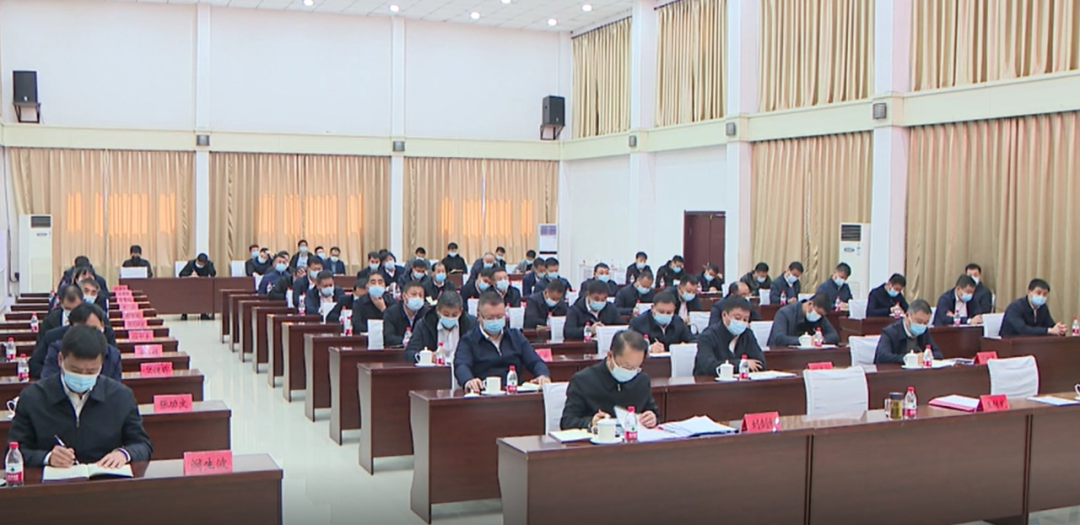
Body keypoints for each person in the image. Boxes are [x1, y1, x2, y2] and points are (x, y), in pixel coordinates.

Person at [9, 325, 153, 468]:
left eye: (91, 371)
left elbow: (142, 445)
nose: (83, 376)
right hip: (54, 479)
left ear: (101, 365)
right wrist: (47, 457)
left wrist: (124, 454)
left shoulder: (121, 396)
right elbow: (15, 450)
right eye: (75, 370)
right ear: (60, 359)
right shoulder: (33, 397)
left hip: (105, 477)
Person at [560, 330, 659, 430]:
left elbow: (653, 412)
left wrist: (652, 418)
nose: (630, 372)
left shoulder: (642, 380)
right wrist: (591, 422)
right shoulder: (583, 381)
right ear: (610, 356)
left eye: (635, 368)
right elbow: (567, 422)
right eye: (626, 366)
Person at [454, 292, 551, 392]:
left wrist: (543, 375)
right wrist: (469, 380)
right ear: (479, 316)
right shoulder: (468, 340)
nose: (495, 321)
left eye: (500, 317)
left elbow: (535, 361)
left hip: (515, 393)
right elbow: (461, 365)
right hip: (483, 394)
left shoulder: (515, 336)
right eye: (490, 318)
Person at [32, 301, 117, 379]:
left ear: (102, 325)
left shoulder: (113, 355)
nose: (88, 334)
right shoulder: (57, 349)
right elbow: (48, 382)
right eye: (82, 329)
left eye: (93, 329)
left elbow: (115, 388)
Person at [694, 296, 765, 375]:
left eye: (745, 320)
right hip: (709, 381)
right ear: (724, 315)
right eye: (737, 318)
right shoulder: (707, 336)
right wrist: (741, 364)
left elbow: (760, 363)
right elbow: (709, 366)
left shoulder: (747, 334)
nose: (741, 322)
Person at [404, 291, 477, 363]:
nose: (450, 318)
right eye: (446, 314)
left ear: (461, 311)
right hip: (433, 369)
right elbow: (409, 353)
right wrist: (424, 356)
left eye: (454, 315)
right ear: (438, 310)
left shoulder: (471, 324)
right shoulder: (424, 325)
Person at [874, 299, 942, 364]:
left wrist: (925, 356)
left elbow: (938, 354)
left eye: (925, 323)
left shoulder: (924, 331)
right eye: (919, 321)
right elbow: (882, 357)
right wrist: (908, 358)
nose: (922, 325)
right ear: (907, 316)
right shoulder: (890, 332)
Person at [628, 291, 693, 354]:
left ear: (674, 309)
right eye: (661, 312)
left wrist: (685, 345)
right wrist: (649, 348)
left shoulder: (678, 321)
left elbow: (691, 339)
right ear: (653, 308)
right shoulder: (638, 323)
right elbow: (630, 345)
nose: (665, 315)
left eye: (669, 312)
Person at [1001, 279, 1067, 336]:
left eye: (1044, 294)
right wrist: (1049, 330)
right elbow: (1023, 329)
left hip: (1033, 342)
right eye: (1038, 293)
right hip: (1009, 342)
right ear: (1029, 292)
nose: (1041, 296)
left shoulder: (1042, 307)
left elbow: (1050, 325)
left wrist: (1059, 329)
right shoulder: (1015, 307)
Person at [766, 294, 839, 346]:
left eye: (821, 315)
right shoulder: (784, 313)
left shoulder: (820, 317)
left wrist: (820, 339)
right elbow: (779, 338)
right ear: (810, 304)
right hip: (783, 355)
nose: (818, 317)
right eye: (818, 313)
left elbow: (834, 336)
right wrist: (802, 341)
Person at [384, 280, 431, 346]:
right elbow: (388, 337)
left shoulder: (427, 314)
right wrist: (403, 341)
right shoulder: (391, 313)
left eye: (420, 295)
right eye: (414, 294)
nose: (417, 298)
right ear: (404, 296)